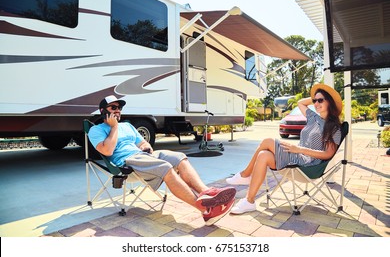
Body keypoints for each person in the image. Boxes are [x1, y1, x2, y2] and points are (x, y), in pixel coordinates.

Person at [88, 95, 236, 225]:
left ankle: (207, 193)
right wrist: (114, 128)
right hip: (128, 161)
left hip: (143, 156)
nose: (117, 110)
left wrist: (146, 147)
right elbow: (107, 150)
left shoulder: (127, 126)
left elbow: (142, 143)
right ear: (103, 111)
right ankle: (206, 209)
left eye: (119, 108)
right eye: (113, 107)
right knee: (165, 167)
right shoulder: (96, 130)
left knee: (179, 158)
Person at [226, 84, 343, 214]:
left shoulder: (333, 127)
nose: (316, 103)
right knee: (263, 155)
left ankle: (245, 175)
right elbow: (301, 103)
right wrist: (315, 98)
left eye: (321, 100)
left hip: (308, 163)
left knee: (268, 141)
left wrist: (299, 150)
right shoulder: (313, 118)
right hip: (297, 155)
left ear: (330, 102)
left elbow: (328, 154)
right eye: (315, 100)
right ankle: (249, 201)